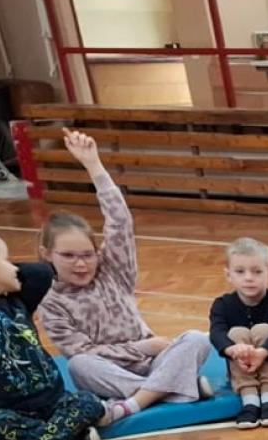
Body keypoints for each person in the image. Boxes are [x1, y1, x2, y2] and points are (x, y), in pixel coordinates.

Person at [33, 131, 214, 416]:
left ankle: (140, 398)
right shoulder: (50, 300)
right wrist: (143, 346)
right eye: (68, 256)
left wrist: (94, 165)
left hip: (154, 361)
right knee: (79, 365)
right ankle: (167, 390)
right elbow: (85, 352)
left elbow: (119, 220)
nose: (80, 264)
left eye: (87, 255)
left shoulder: (112, 269)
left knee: (197, 338)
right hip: (111, 371)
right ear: (47, 255)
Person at [0, 227, 113, 440]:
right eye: (8, 260)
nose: (16, 269)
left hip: (56, 402)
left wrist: (0, 270)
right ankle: (70, 439)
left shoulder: (19, 302)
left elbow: (43, 272)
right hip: (12, 412)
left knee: (89, 402)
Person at [209, 237, 268, 428]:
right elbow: (216, 332)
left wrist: (263, 352)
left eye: (257, 271)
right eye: (240, 272)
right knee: (236, 333)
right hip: (242, 365)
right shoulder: (222, 304)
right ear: (228, 275)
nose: (249, 277)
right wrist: (233, 349)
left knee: (263, 329)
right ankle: (249, 401)